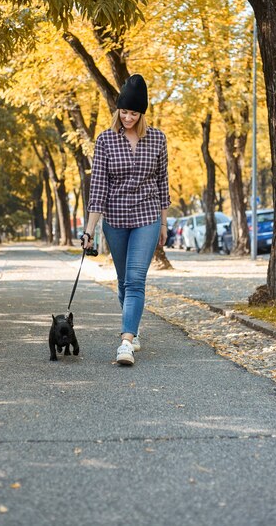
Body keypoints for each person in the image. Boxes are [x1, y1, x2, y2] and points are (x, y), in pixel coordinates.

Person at [81, 74, 170, 366]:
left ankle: (126, 343)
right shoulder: (106, 140)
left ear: (142, 112)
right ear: (117, 110)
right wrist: (89, 230)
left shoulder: (157, 138)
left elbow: (162, 182)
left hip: (147, 215)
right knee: (123, 281)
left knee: (135, 280)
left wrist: (164, 223)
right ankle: (134, 326)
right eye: (124, 111)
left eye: (134, 112)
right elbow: (99, 188)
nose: (128, 117)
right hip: (116, 219)